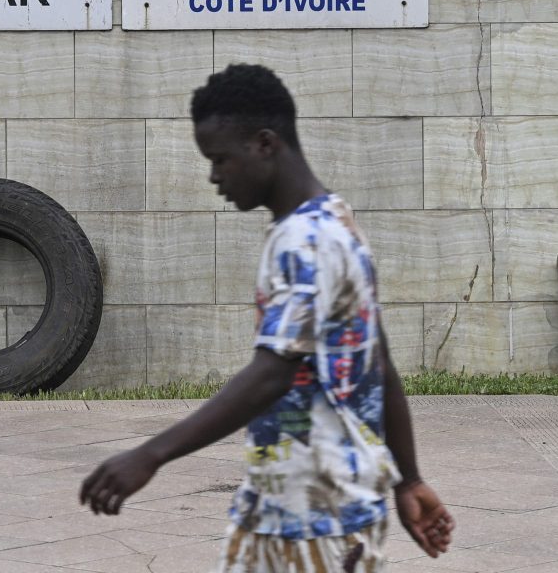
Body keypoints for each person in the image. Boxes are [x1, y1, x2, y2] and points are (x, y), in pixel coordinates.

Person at [80, 63, 453, 572]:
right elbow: (379, 362)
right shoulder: (335, 218)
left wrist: (150, 455)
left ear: (264, 143)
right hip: (291, 506)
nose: (213, 176)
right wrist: (408, 480)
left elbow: (273, 373)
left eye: (220, 160)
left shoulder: (305, 241)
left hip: (312, 519)